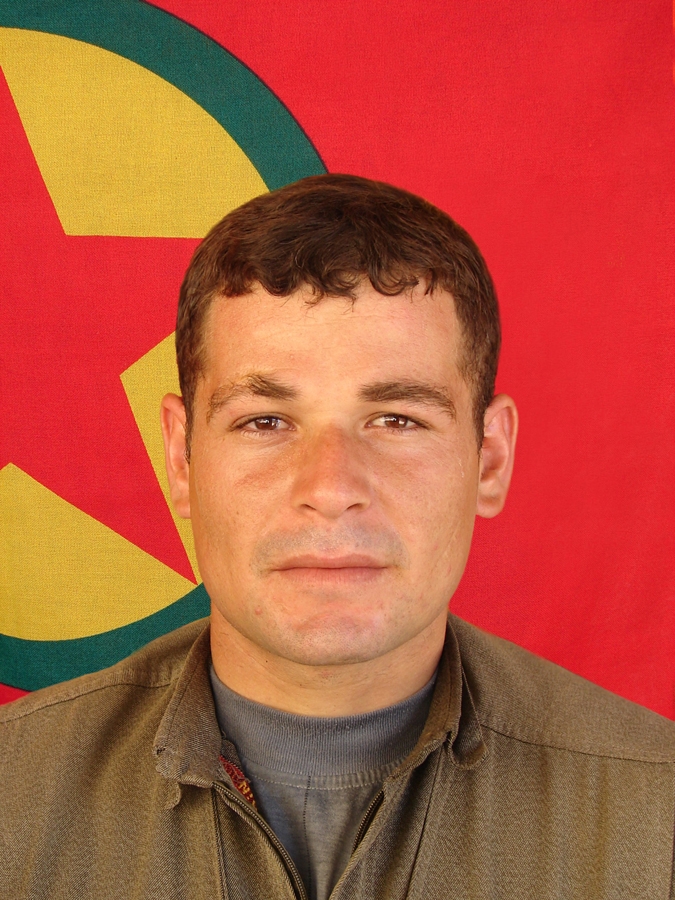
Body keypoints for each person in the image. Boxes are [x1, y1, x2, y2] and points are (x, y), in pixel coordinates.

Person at [1, 174, 674, 900]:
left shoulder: (655, 812)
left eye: (397, 420)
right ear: (181, 459)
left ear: (489, 459)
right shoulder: (14, 795)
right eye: (264, 421)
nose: (328, 487)